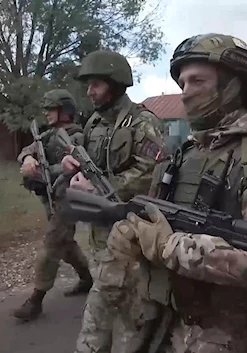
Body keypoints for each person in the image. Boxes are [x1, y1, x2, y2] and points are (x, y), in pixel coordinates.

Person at [106, 33, 247, 353]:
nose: (184, 93)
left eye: (197, 81)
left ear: (233, 87)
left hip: (236, 335)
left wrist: (170, 246)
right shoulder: (186, 154)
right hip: (173, 322)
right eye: (182, 83)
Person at [60, 50, 167, 353]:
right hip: (97, 232)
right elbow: (87, 160)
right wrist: (72, 166)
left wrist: (108, 191)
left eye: (96, 85)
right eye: (89, 85)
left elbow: (152, 170)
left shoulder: (142, 121)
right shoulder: (94, 123)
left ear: (117, 84)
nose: (90, 92)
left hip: (131, 234)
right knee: (104, 302)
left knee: (130, 315)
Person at [13, 89, 93, 321]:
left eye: (51, 108)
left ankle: (36, 301)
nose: (47, 113)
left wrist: (45, 170)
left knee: (51, 245)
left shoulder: (76, 136)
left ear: (65, 111)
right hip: (50, 197)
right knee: (65, 243)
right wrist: (28, 159)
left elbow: (77, 166)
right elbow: (30, 149)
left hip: (68, 198)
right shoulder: (47, 135)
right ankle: (87, 279)